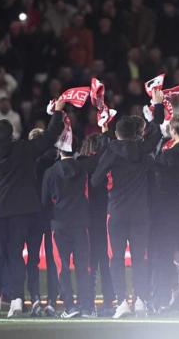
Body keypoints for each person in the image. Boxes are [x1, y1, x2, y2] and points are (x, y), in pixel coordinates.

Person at [0, 99, 65, 318]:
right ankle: (17, 301)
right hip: (22, 212)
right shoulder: (22, 149)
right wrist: (57, 113)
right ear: (12, 133)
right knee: (15, 255)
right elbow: (49, 137)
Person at [90, 90, 164, 319]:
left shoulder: (111, 151)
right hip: (141, 213)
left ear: (117, 134)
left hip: (117, 213)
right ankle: (140, 300)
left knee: (116, 258)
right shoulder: (143, 150)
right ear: (135, 134)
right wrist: (158, 105)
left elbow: (94, 180)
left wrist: (104, 138)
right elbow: (157, 132)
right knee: (141, 257)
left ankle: (122, 302)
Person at [41, 143, 96, 318]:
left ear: (59, 150)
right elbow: (89, 195)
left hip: (59, 224)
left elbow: (44, 201)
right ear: (76, 150)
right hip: (80, 223)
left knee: (62, 267)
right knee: (83, 266)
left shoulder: (50, 172)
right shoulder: (83, 170)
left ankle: (70, 306)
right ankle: (86, 306)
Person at [150, 114, 179, 313]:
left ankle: (165, 296)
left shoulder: (168, 154)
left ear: (172, 130)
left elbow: (157, 174)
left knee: (164, 254)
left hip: (167, 210)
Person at [80, 133, 115, 316]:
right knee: (105, 262)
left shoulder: (82, 165)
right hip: (106, 217)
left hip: (88, 220)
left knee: (90, 263)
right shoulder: (107, 163)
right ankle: (109, 302)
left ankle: (89, 303)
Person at [26, 128, 59, 317]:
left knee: (33, 259)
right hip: (52, 215)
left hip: (32, 216)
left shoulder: (26, 162)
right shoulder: (54, 159)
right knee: (53, 260)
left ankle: (35, 298)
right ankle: (52, 300)